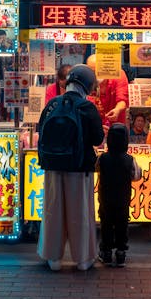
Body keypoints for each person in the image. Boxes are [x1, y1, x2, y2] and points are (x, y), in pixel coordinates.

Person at [37, 64, 104, 271]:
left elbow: (41, 131)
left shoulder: (52, 104)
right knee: (80, 213)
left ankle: (53, 258)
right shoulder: (87, 107)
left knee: (53, 212)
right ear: (87, 85)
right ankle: (83, 259)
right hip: (79, 168)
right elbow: (98, 138)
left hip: (52, 168)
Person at [96, 123, 142, 267]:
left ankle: (106, 252)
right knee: (122, 224)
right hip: (123, 198)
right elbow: (137, 176)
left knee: (106, 224)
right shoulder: (130, 159)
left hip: (105, 198)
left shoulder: (102, 158)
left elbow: (96, 169)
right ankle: (121, 252)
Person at [86, 54, 129, 131]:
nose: (96, 74)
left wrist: (117, 110)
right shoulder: (86, 80)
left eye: (99, 70)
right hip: (93, 129)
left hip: (116, 127)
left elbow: (122, 100)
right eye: (92, 71)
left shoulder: (118, 75)